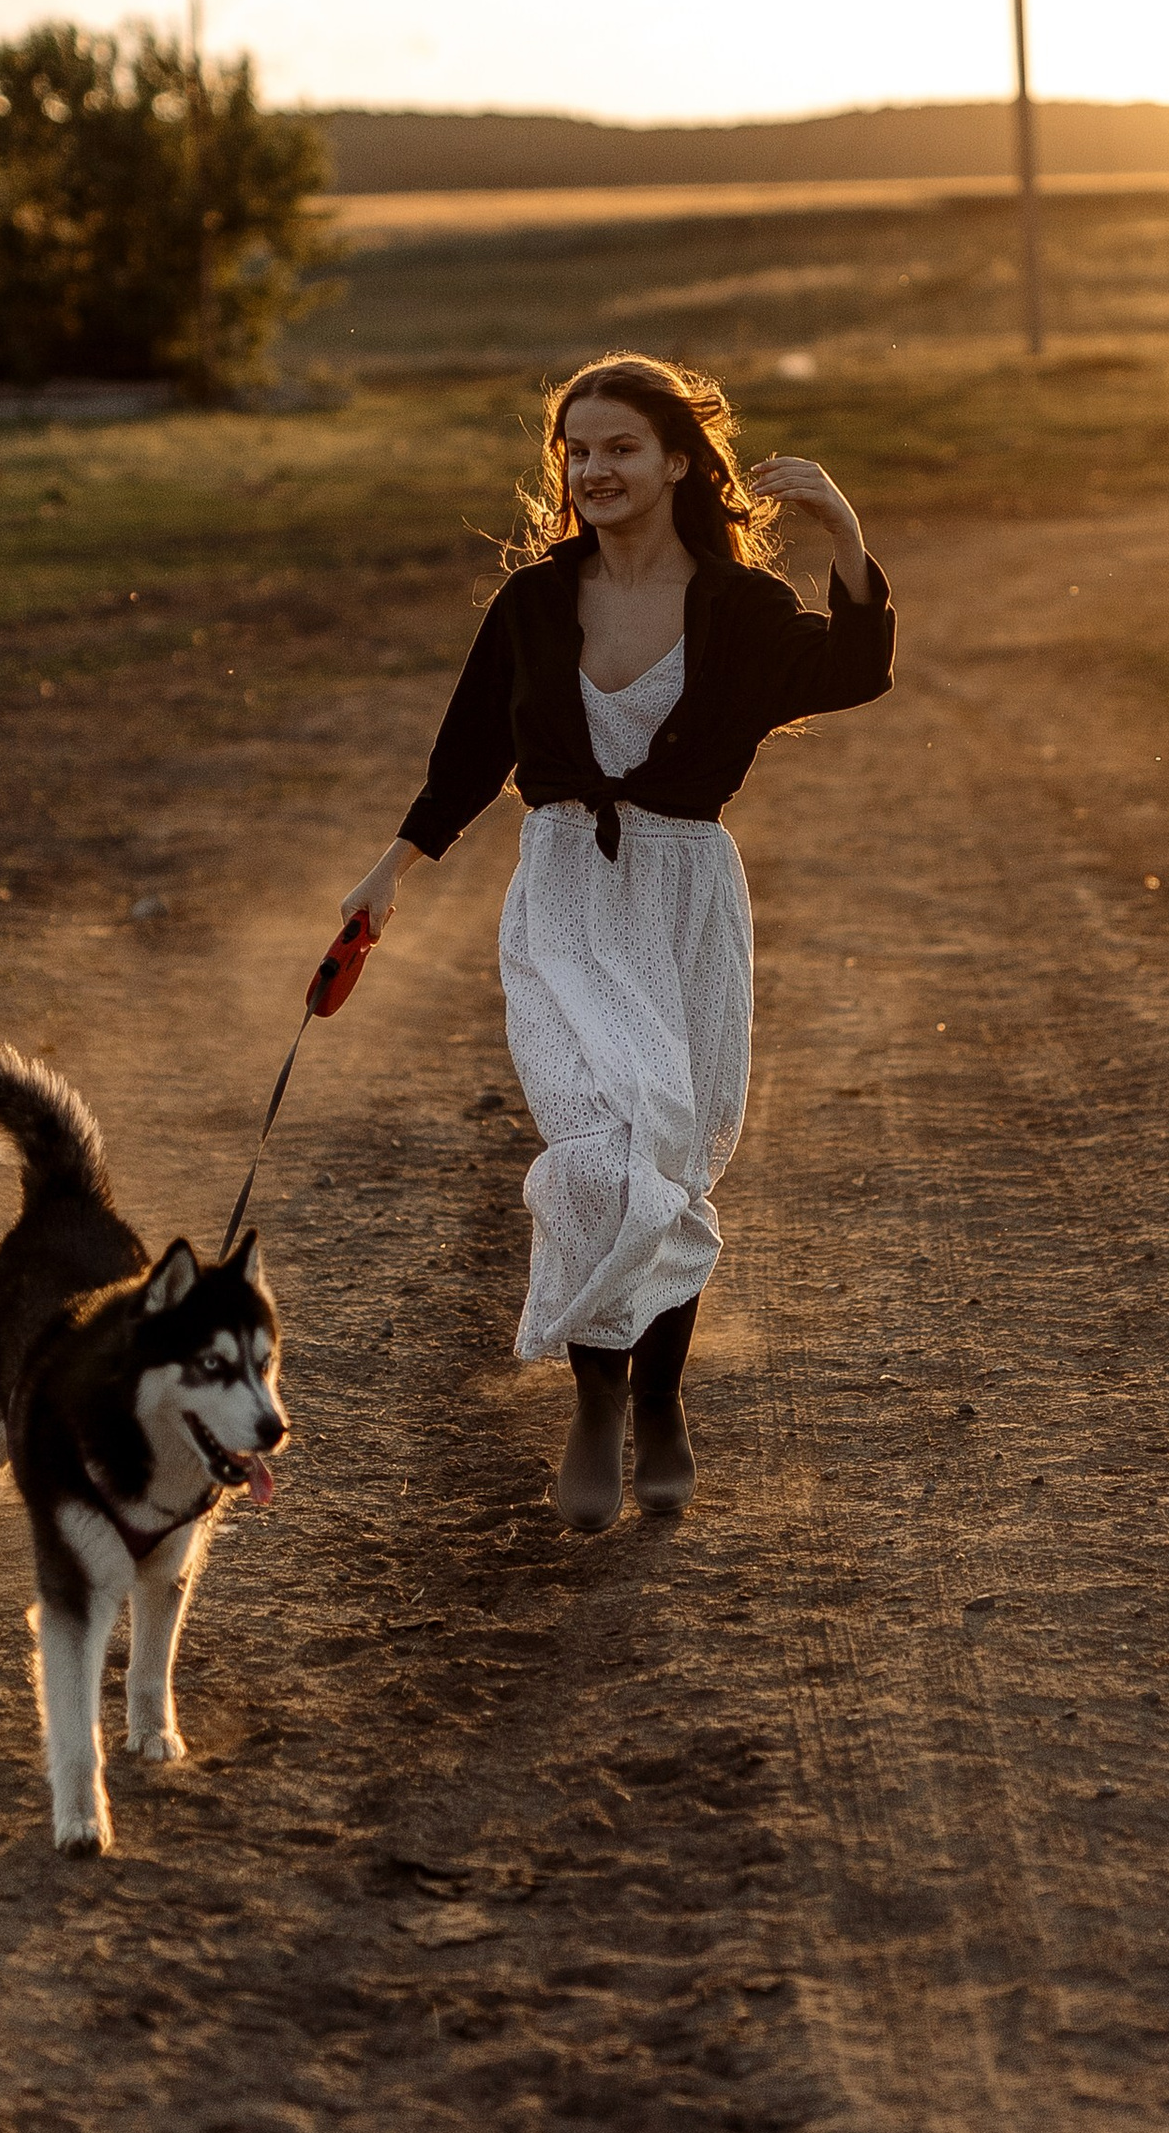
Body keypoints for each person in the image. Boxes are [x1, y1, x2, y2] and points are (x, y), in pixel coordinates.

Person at [341, 354, 894, 1532]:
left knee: (671, 1158)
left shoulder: (740, 610)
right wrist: (388, 877)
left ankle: (662, 1406)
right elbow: (465, 758)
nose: (593, 470)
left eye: (619, 449)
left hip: (687, 898)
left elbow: (854, 668)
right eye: (576, 452)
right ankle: (597, 1404)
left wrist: (843, 526)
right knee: (601, 1147)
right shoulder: (535, 604)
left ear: (681, 460)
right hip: (563, 903)